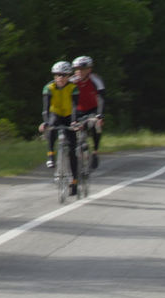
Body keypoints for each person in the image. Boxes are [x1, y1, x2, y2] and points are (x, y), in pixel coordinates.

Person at [39, 61, 79, 196]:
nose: (60, 78)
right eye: (57, 75)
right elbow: (45, 109)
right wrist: (45, 123)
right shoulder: (48, 88)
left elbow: (74, 107)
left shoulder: (73, 88)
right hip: (55, 114)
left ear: (68, 76)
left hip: (69, 116)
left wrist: (74, 122)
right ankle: (50, 155)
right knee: (50, 127)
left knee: (73, 150)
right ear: (54, 76)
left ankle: (74, 181)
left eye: (63, 75)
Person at [70, 55, 105, 169]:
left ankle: (95, 152)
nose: (79, 72)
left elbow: (101, 98)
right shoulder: (71, 81)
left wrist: (99, 115)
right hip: (77, 110)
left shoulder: (95, 79)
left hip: (92, 109)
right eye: (77, 69)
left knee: (96, 126)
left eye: (82, 69)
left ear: (89, 69)